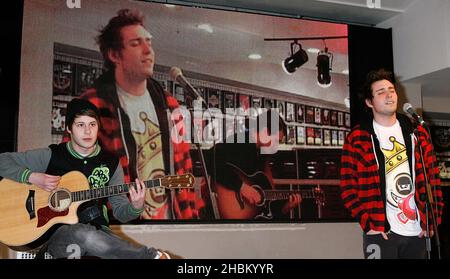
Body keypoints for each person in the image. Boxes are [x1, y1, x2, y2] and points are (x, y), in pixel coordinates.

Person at [63, 9, 203, 220]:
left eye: (149, 42)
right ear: (114, 55)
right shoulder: (91, 105)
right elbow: (70, 172)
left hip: (172, 225)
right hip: (121, 231)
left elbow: (184, 169)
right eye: (136, 44)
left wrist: (192, 221)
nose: (148, 51)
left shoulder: (169, 104)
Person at [0, 98, 171, 259]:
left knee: (92, 237)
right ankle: (151, 257)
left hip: (98, 233)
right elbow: (3, 160)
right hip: (54, 235)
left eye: (92, 124)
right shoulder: (52, 155)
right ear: (68, 128)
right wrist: (31, 176)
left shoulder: (111, 163)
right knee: (82, 234)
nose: (87, 131)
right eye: (80, 125)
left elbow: (121, 213)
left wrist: (136, 206)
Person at [340, 69, 444, 259]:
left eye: (391, 90)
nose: (389, 94)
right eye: (381, 92)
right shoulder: (358, 138)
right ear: (369, 102)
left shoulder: (417, 133)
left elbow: (433, 180)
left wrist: (432, 221)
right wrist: (368, 224)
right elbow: (348, 188)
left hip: (417, 232)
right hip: (381, 232)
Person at [211, 109, 301, 220]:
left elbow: (266, 197)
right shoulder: (240, 141)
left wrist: (285, 208)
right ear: (265, 132)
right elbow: (211, 159)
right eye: (276, 141)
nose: (276, 146)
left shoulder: (262, 155)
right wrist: (241, 187)